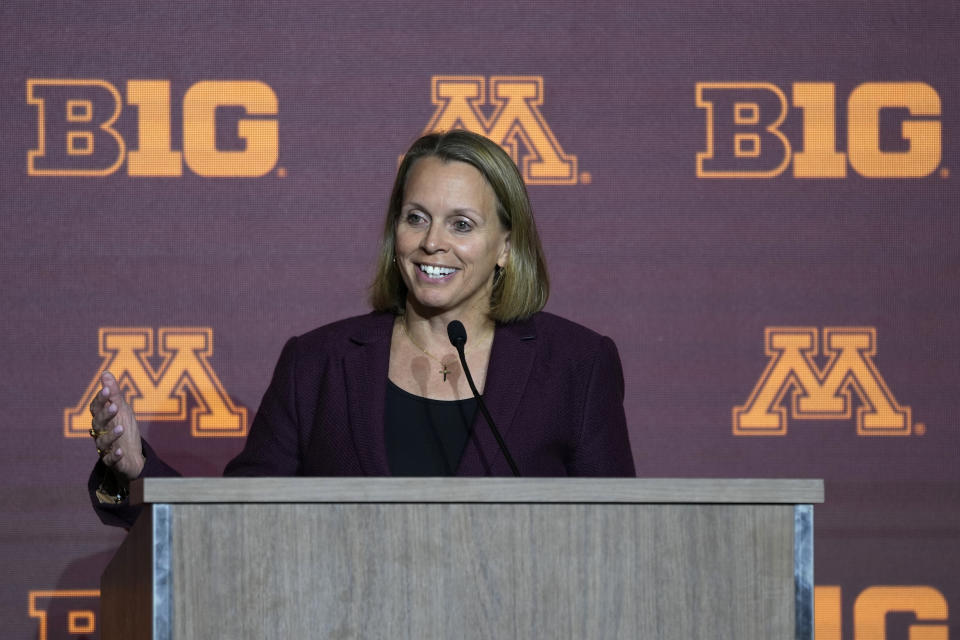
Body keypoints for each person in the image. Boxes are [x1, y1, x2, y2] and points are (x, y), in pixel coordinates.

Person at [88, 130, 636, 527]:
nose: (431, 243)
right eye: (415, 217)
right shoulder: (318, 364)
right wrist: (139, 469)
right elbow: (238, 524)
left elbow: (623, 535)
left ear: (506, 246)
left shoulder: (576, 366)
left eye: (461, 224)